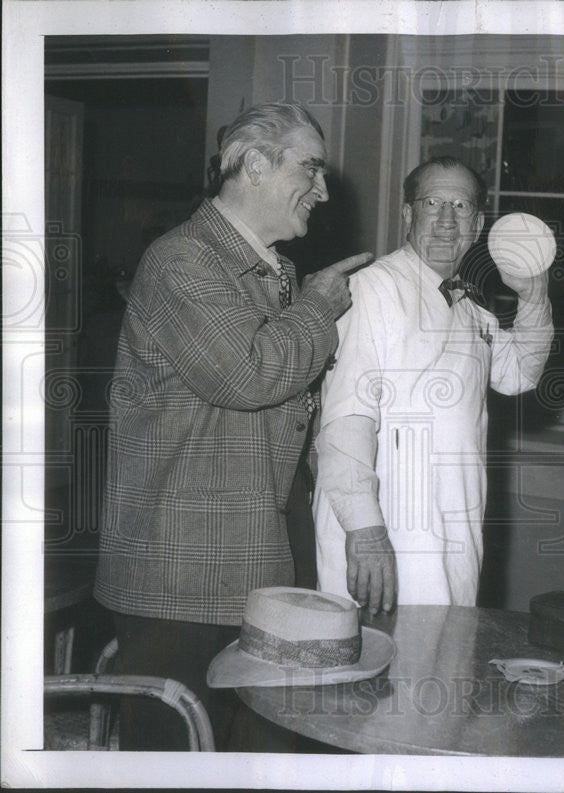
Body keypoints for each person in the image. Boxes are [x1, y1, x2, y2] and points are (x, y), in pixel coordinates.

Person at [93, 101, 371, 751]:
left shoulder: (271, 272)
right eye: (312, 169)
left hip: (242, 564)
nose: (324, 190)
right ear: (252, 165)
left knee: (244, 753)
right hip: (178, 576)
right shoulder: (183, 261)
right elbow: (249, 374)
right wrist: (318, 311)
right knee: (172, 759)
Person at [313, 156, 554, 613]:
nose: (446, 220)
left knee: (442, 669)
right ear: (408, 214)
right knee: (377, 678)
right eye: (432, 203)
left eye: (460, 206)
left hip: (454, 535)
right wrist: (364, 530)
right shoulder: (372, 290)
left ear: (478, 224)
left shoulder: (469, 308)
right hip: (385, 539)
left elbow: (521, 372)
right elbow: (346, 418)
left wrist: (534, 293)